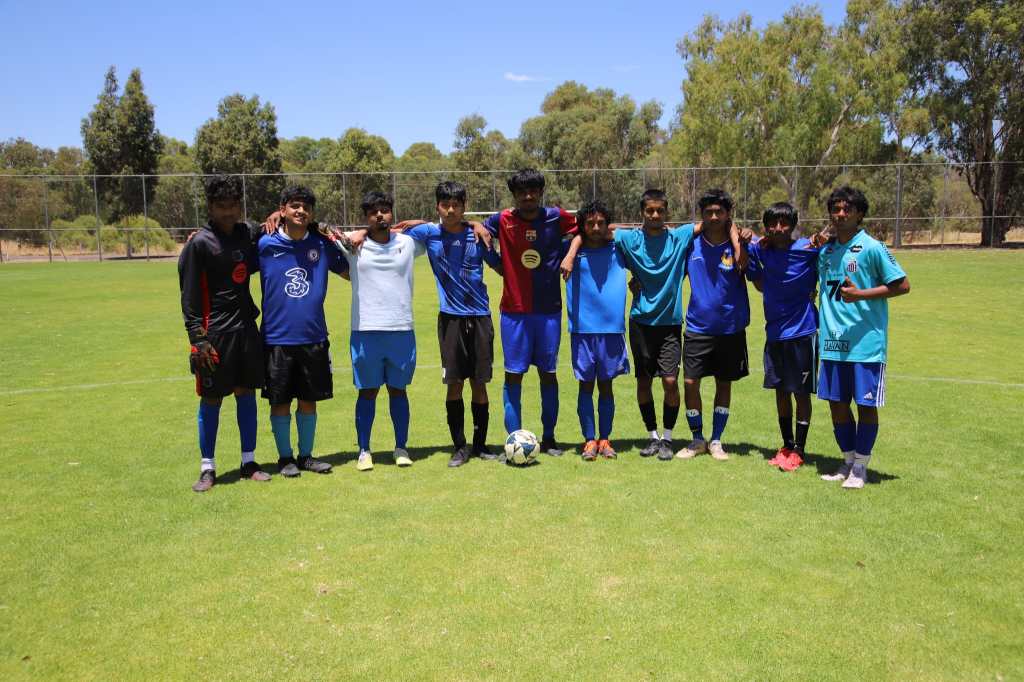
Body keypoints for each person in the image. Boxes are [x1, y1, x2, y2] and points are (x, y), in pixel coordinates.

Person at [178, 174, 270, 492]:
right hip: (214, 335)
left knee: (246, 393)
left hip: (245, 329)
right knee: (212, 398)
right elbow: (189, 295)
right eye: (221, 206)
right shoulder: (199, 244)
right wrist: (197, 338)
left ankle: (249, 462)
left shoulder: (246, 234)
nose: (228, 212)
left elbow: (269, 226)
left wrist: (277, 215)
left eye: (232, 206)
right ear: (210, 207)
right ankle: (208, 468)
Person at [402, 181, 501, 467]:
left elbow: (500, 266)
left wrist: (477, 225)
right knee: (454, 384)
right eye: (445, 205)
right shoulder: (429, 233)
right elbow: (391, 232)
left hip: (480, 317)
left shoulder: (478, 236)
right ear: (437, 207)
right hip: (450, 320)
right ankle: (459, 447)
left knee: (479, 383)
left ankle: (480, 445)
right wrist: (419, 221)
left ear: (464, 207)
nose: (450, 210)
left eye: (456, 205)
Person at [816, 186, 910, 489]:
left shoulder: (872, 247)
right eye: (836, 209)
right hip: (832, 342)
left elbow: (902, 285)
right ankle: (847, 461)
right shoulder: (825, 251)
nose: (840, 214)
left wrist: (861, 295)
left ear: (859, 214)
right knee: (836, 404)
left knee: (865, 406)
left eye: (848, 209)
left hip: (865, 344)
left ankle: (861, 467)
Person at [482, 169, 577, 456]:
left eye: (533, 191)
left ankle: (549, 438)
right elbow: (479, 233)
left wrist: (569, 254)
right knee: (514, 376)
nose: (527, 196)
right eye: (522, 192)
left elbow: (581, 231)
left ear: (540, 192)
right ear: (514, 195)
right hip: (514, 312)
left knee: (548, 374)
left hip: (548, 312)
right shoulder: (502, 219)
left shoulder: (555, 217)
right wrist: (495, 262)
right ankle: (513, 440)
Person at [258, 185, 348, 478]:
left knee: (309, 400)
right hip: (276, 338)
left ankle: (306, 456)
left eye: (306, 207)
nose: (301, 211)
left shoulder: (321, 244)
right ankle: (285, 458)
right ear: (282, 210)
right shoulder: (265, 243)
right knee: (280, 401)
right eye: (294, 206)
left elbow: (350, 271)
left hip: (313, 337)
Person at [343, 191, 426, 472]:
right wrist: (360, 233)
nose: (380, 215)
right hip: (365, 330)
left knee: (398, 391)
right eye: (373, 212)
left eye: (385, 210)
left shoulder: (408, 243)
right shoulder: (352, 244)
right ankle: (364, 451)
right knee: (367, 392)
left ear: (392, 213)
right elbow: (319, 229)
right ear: (365, 217)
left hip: (401, 329)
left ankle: (401, 447)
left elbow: (434, 228)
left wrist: (408, 224)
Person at [676, 189, 750, 462]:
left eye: (720, 212)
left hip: (730, 327)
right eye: (709, 212)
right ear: (702, 215)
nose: (714, 216)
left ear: (728, 214)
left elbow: (744, 265)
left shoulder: (738, 242)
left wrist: (738, 237)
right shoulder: (691, 244)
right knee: (690, 382)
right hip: (697, 326)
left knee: (724, 383)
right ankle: (697, 439)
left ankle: (716, 440)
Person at [746, 202, 819, 471]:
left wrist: (824, 238)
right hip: (775, 333)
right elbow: (740, 236)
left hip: (803, 332)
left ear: (793, 225)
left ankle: (799, 449)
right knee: (780, 391)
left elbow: (832, 242)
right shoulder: (761, 249)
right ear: (766, 227)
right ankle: (786, 446)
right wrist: (746, 236)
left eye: (784, 223)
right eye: (773, 224)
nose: (779, 228)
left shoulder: (808, 248)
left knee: (801, 392)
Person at [562, 200, 629, 460]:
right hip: (582, 330)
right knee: (586, 386)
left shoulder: (619, 248)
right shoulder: (571, 250)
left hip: (612, 330)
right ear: (582, 226)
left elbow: (637, 238)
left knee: (607, 386)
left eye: (601, 223)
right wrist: (572, 250)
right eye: (590, 223)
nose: (596, 228)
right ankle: (589, 440)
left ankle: (605, 439)